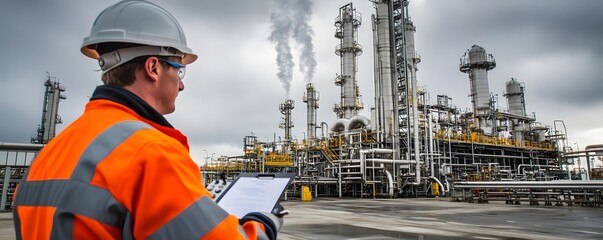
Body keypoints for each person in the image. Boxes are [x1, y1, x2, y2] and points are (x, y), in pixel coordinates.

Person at [12, 1, 283, 239]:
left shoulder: (54, 151)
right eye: (180, 70)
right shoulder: (151, 153)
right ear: (153, 67)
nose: (181, 85)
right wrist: (263, 225)